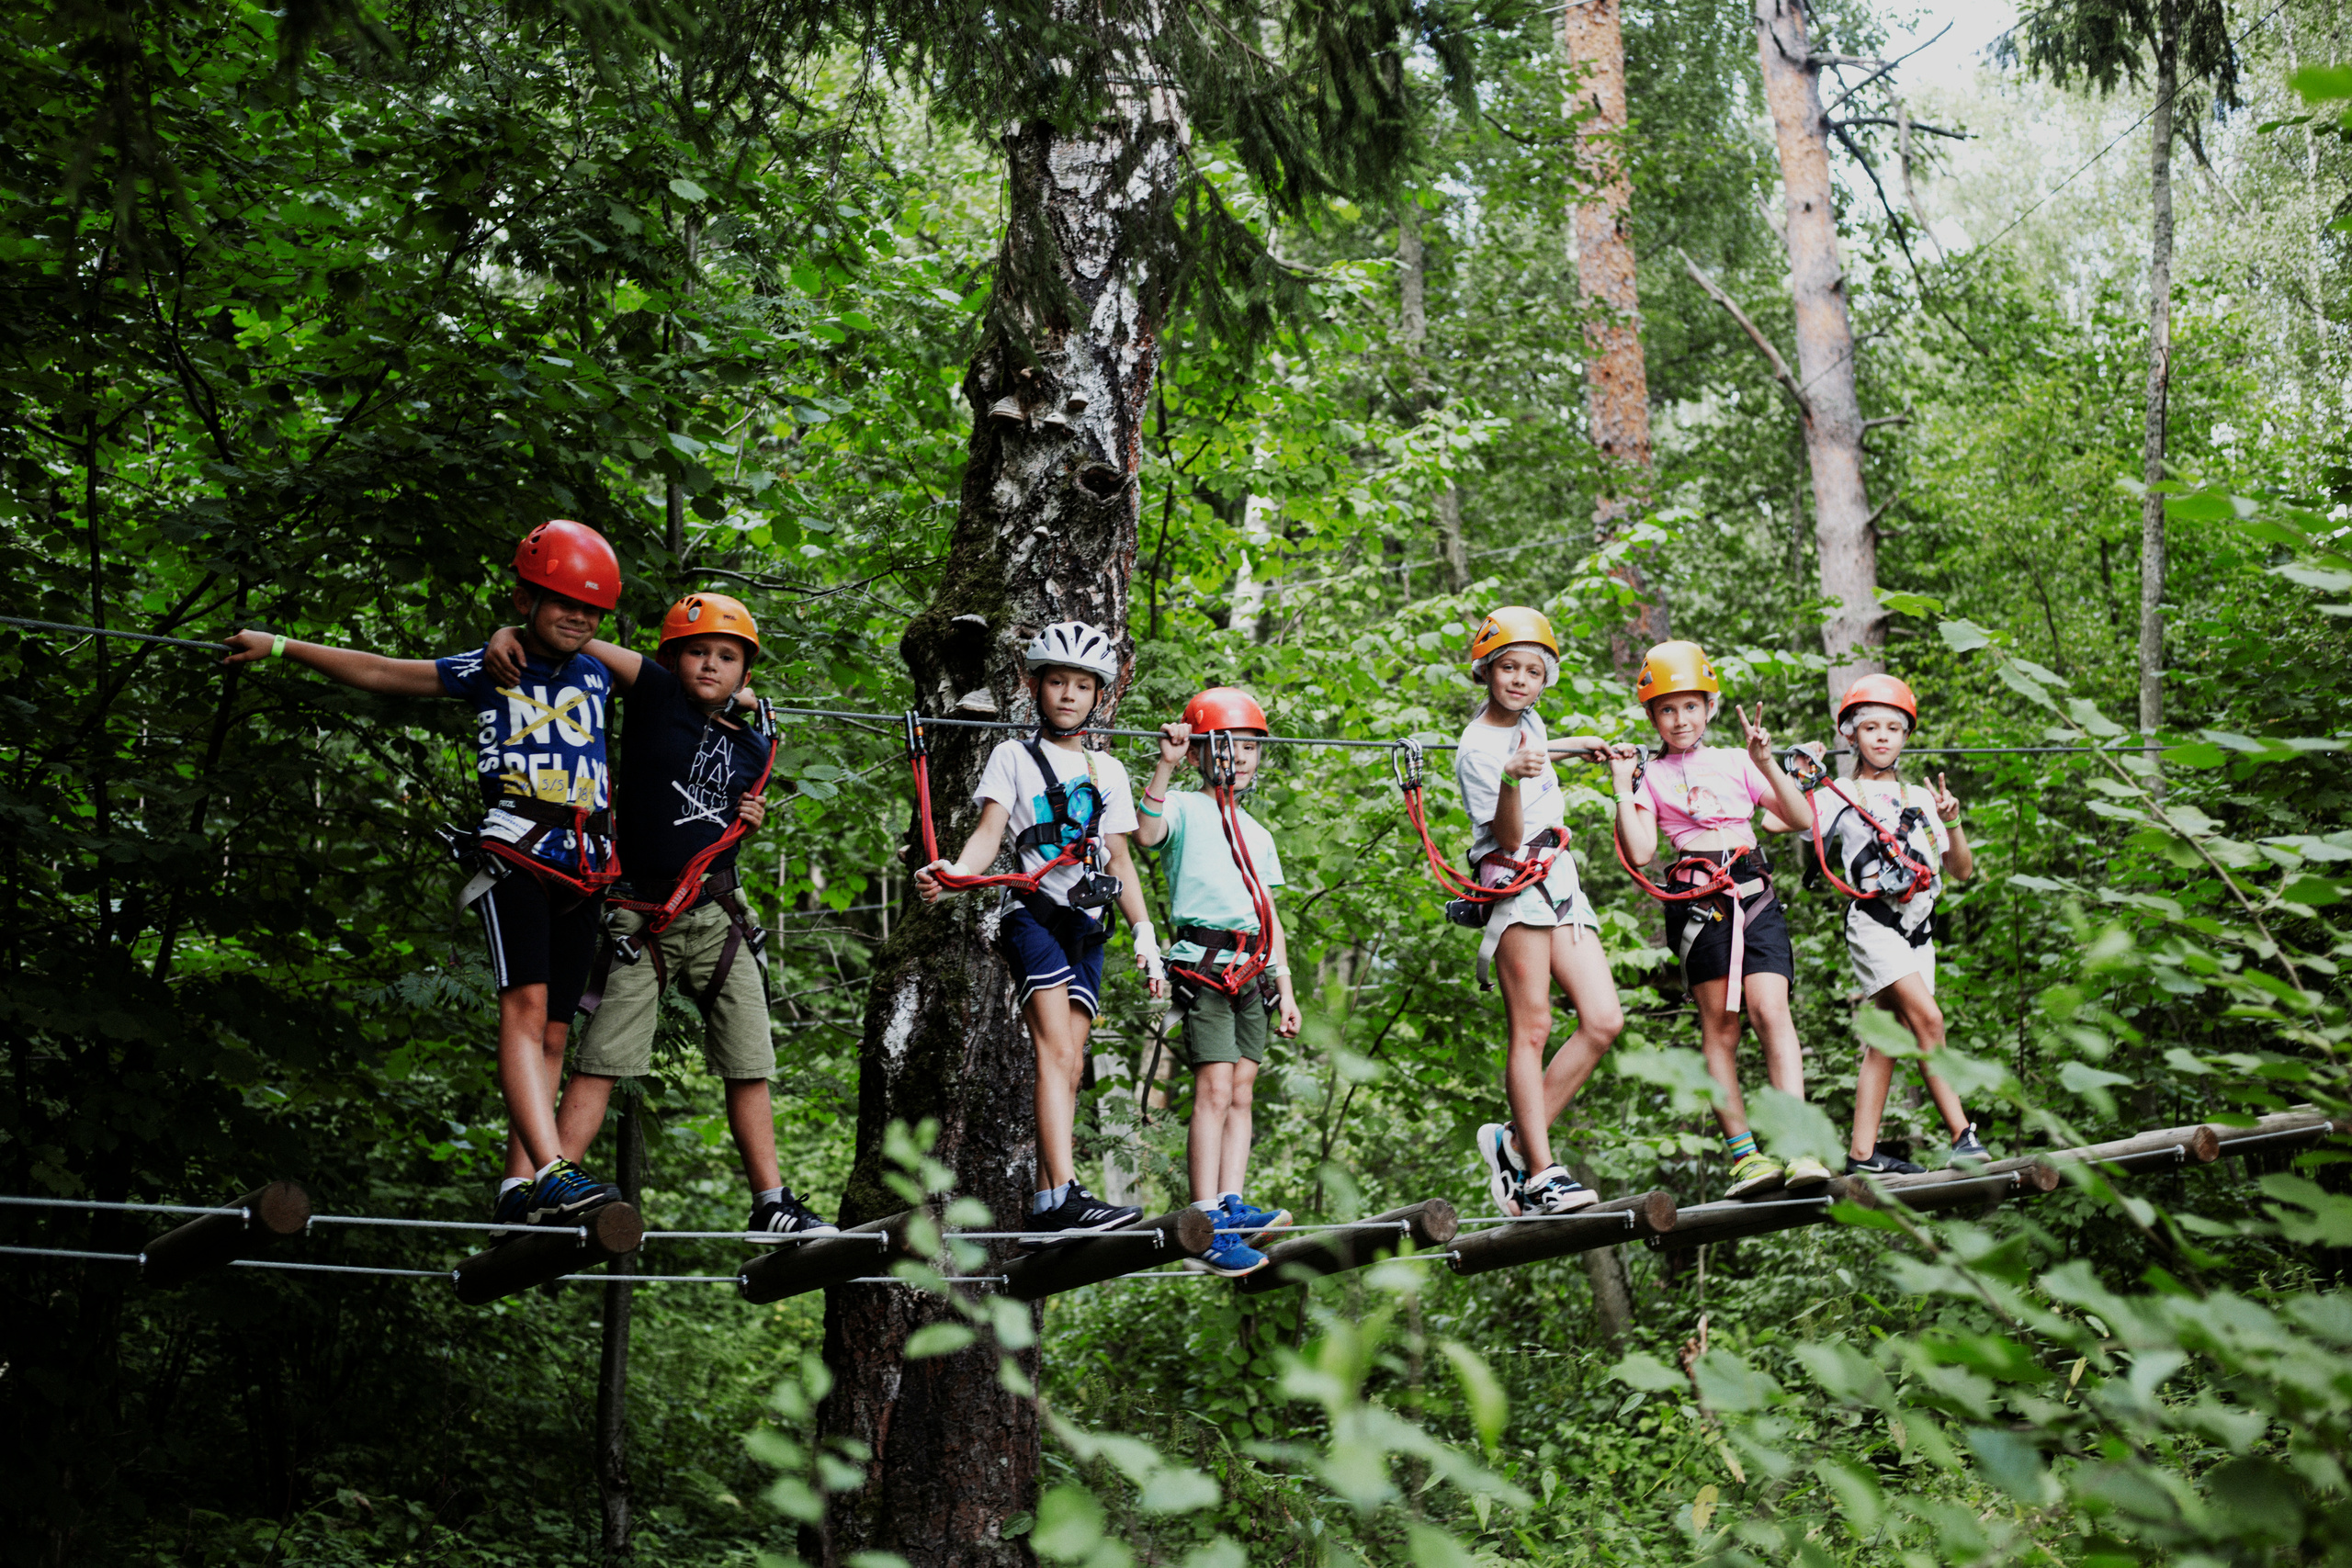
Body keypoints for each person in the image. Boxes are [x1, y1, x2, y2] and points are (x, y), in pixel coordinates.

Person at [223, 520, 627, 1229]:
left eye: (591, 609)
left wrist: (739, 697)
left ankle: (520, 1182)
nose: (579, 617)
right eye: (562, 602)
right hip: (516, 853)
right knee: (526, 1011)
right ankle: (555, 1166)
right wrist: (281, 646)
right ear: (525, 595)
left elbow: (676, 684)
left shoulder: (597, 669)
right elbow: (385, 671)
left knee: (559, 1033)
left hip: (585, 867)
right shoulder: (489, 666)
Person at [484, 592, 840, 1239]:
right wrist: (508, 630)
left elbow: (711, 823)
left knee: (750, 1058)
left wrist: (746, 822)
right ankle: (547, 1189)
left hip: (718, 913)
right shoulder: (653, 693)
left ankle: (773, 1202)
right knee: (604, 1057)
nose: (709, 664)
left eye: (726, 656)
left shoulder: (755, 748)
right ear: (671, 657)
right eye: (697, 651)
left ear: (745, 673)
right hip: (640, 915)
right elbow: (574, 640)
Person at [914, 622, 1164, 1244]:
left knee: (1072, 1062)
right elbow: (989, 834)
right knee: (1055, 1051)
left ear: (1098, 695)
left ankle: (1053, 1196)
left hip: (1090, 923)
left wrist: (1145, 933)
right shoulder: (1013, 757)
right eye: (1057, 681)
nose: (1069, 695)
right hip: (1032, 915)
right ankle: (1063, 1195)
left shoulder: (1109, 770)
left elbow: (1122, 860)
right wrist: (956, 873)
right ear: (1034, 686)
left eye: (1082, 685)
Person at [1608, 640, 1831, 1199]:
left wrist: (1764, 765)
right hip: (1699, 903)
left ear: (1709, 708)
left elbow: (1801, 817)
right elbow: (1638, 852)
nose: (1679, 719)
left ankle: (1799, 1145)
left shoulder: (1737, 760)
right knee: (1722, 1029)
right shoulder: (1650, 776)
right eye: (1666, 708)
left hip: (1753, 891)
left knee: (1770, 1008)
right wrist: (1621, 785)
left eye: (1689, 706)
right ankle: (1746, 1158)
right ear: (1651, 716)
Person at [1450, 608, 1631, 1219]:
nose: (1520, 680)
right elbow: (1505, 832)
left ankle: (1512, 1142)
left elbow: (1528, 745)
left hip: (1559, 879)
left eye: (1532, 670)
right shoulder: (1477, 747)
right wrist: (1509, 779)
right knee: (1533, 1027)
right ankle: (1540, 1172)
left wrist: (1574, 747)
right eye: (1508, 668)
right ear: (1487, 672)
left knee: (1604, 1019)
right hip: (1515, 880)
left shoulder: (1528, 721)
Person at [1133, 688, 1302, 1278]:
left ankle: (1232, 1206)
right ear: (1204, 753)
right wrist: (1166, 763)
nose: (1240, 758)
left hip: (1253, 968)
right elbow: (1146, 835)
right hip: (1202, 963)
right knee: (1213, 1089)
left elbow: (1268, 913)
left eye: (1250, 747)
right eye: (1227, 746)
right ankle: (1205, 1216)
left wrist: (1286, 983)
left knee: (1244, 1089)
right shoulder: (1182, 805)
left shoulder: (1257, 832)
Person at [1806, 675, 1992, 1174]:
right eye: (1870, 727)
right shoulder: (1838, 791)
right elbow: (1782, 822)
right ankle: (1963, 1134)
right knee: (1929, 1022)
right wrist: (1801, 776)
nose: (1883, 736)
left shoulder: (1921, 797)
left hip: (1919, 931)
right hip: (1874, 925)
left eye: (1894, 727)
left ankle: (1861, 1154)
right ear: (1851, 734)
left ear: (1906, 736)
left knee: (1886, 1041)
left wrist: (1952, 820)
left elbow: (1962, 870)